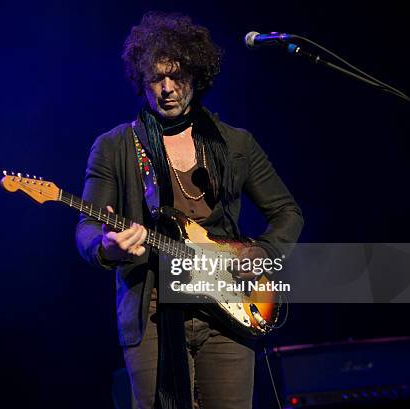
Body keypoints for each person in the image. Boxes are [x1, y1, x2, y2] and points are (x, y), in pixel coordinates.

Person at [76, 12, 303, 409]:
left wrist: (259, 254)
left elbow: (287, 212)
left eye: (177, 76)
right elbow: (87, 228)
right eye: (156, 79)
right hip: (153, 312)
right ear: (141, 82)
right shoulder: (114, 147)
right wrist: (107, 247)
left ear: (196, 77)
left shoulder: (234, 143)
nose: (167, 89)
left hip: (230, 310)